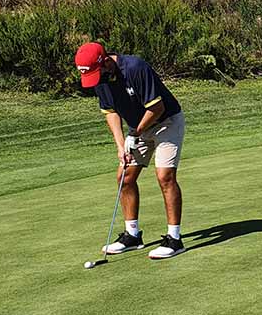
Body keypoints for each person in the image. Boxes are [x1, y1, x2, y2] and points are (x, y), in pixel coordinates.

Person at [74, 42, 187, 259]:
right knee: (124, 177)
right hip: (138, 129)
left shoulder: (135, 67)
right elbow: (110, 112)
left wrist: (135, 134)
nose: (96, 79)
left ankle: (174, 239)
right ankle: (132, 236)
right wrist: (120, 146)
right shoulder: (101, 77)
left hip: (166, 122)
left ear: (106, 60)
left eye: (97, 72)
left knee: (165, 176)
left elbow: (157, 108)